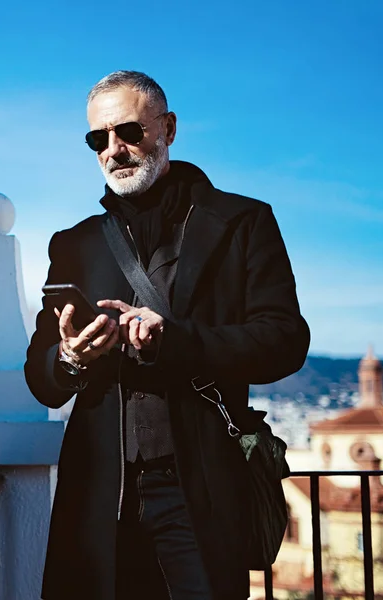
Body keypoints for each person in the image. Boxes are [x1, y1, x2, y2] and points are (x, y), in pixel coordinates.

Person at [24, 70, 310, 600]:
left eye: (128, 132)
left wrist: (173, 340)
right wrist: (69, 356)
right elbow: (41, 380)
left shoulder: (243, 222)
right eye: (97, 139)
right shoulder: (73, 244)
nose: (113, 150)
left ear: (168, 128)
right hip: (98, 498)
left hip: (200, 490)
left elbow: (285, 340)